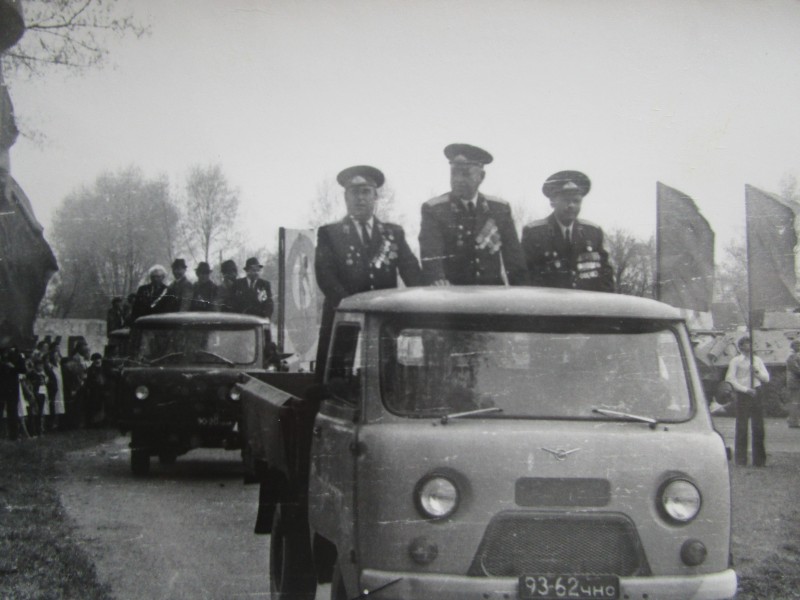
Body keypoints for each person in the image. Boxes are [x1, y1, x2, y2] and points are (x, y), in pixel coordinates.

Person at [315, 165, 422, 378]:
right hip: (343, 318)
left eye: (366, 192)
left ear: (376, 196)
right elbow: (325, 276)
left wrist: (424, 301)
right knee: (335, 379)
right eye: (355, 192)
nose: (360, 198)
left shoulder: (393, 234)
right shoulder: (330, 233)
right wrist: (352, 308)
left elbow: (412, 273)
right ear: (346, 197)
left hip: (382, 320)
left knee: (385, 377)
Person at [419, 143, 527, 286]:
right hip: (452, 295)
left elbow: (514, 260)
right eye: (454, 173)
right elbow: (431, 255)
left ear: (481, 176)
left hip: (491, 296)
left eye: (465, 174)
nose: (457, 179)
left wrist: (521, 294)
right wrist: (438, 280)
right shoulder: (435, 210)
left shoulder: (499, 209)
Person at [521, 170, 614, 292]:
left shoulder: (594, 233)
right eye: (566, 200)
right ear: (553, 202)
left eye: (576, 201)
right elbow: (524, 278)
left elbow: (606, 279)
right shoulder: (534, 233)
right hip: (548, 306)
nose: (571, 205)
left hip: (586, 306)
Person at [725, 336, 770, 466]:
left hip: (756, 392)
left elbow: (766, 378)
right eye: (746, 344)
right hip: (743, 395)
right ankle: (741, 459)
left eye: (751, 344)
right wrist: (745, 389)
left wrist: (756, 372)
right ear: (741, 347)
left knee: (758, 427)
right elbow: (730, 379)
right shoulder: (736, 361)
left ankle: (759, 460)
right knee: (742, 427)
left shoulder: (757, 360)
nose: (750, 346)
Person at [785, 339, 800, 428]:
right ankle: (793, 421)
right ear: (793, 347)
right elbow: (795, 369)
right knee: (795, 402)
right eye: (797, 345)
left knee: (796, 402)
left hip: (795, 381)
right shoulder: (792, 356)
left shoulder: (795, 356)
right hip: (794, 382)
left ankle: (793, 420)